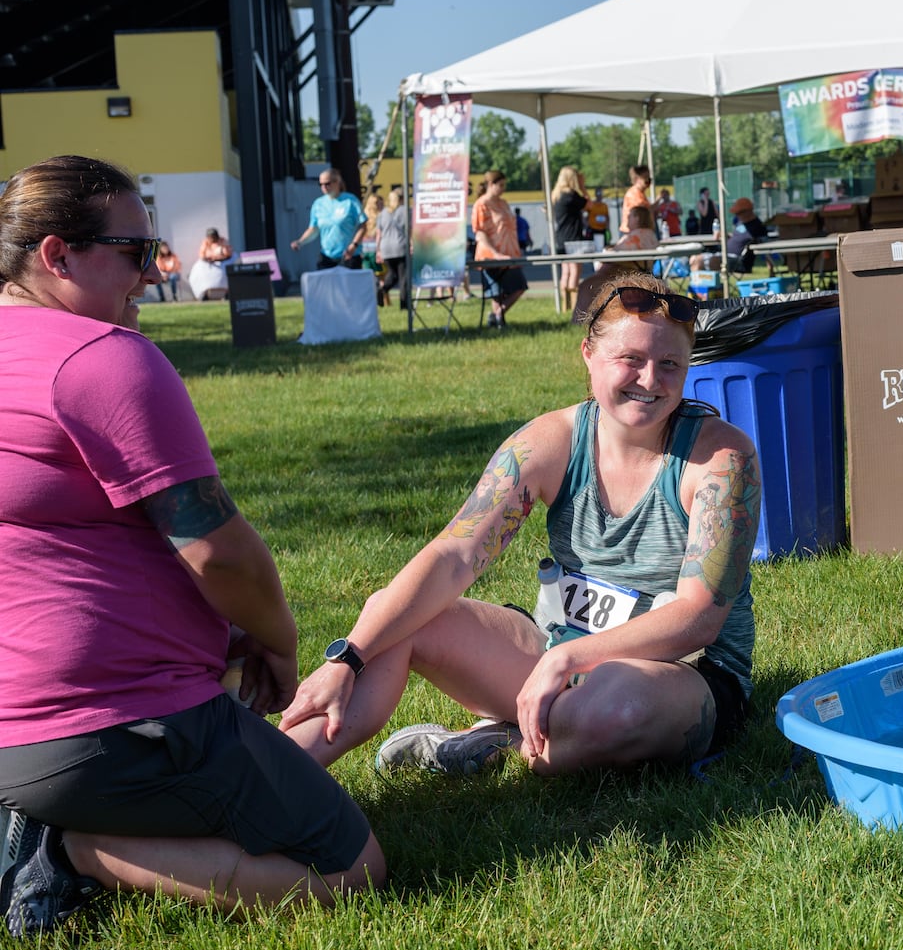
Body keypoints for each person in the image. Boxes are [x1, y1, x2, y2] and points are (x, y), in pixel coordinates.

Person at [0, 154, 385, 938]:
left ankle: (43, 817)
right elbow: (221, 554)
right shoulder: (101, 359)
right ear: (57, 254)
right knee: (349, 869)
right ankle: (71, 851)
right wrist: (277, 640)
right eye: (135, 253)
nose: (149, 275)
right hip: (117, 725)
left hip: (24, 726)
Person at [278, 271, 761, 781]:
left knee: (615, 712)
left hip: (680, 674)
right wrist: (347, 659)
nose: (649, 381)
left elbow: (698, 618)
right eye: (631, 360)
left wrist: (569, 658)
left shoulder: (722, 459)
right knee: (396, 615)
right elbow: (454, 556)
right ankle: (268, 777)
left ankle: (505, 743)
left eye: (670, 365)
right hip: (554, 651)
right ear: (588, 355)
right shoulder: (548, 443)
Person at [470, 169, 528, 328]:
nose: (503, 188)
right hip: (490, 255)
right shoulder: (481, 204)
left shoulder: (503, 203)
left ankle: (497, 315)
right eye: (500, 185)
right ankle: (498, 321)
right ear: (490, 184)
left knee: (519, 286)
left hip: (509, 254)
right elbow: (480, 233)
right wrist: (495, 253)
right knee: (496, 293)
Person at [290, 167, 367, 270]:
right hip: (327, 257)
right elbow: (314, 229)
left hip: (349, 256)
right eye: (321, 184)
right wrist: (300, 242)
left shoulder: (350, 201)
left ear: (337, 182)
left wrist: (354, 245)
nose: (324, 187)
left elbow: (362, 226)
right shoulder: (318, 204)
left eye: (327, 184)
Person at [689, 197, 768, 274]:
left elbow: (764, 244)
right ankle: (698, 286)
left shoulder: (757, 226)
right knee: (694, 259)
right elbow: (736, 236)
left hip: (738, 260)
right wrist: (724, 234)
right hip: (725, 254)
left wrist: (770, 267)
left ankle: (714, 286)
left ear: (748, 211)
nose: (737, 215)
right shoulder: (741, 223)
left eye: (739, 213)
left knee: (709, 261)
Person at [551, 166, 590, 315]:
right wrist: (583, 188)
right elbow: (590, 206)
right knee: (575, 270)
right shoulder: (572, 195)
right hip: (573, 237)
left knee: (565, 272)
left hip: (561, 237)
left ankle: (564, 306)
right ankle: (574, 306)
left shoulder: (557, 195)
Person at [375, 186, 408, 310]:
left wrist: (378, 250)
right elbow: (409, 229)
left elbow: (379, 233)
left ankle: (382, 289)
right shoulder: (404, 210)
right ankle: (404, 305)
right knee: (403, 278)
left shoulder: (383, 213)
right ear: (401, 199)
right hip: (400, 246)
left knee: (392, 275)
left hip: (386, 248)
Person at [191, 227, 233, 300]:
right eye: (209, 237)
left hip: (223, 262)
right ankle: (203, 293)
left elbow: (228, 253)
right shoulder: (205, 242)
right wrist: (208, 258)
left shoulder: (223, 241)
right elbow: (202, 254)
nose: (211, 239)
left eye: (213, 236)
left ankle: (227, 292)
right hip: (209, 263)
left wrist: (220, 255)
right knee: (199, 271)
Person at [622, 166, 652, 232]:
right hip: (632, 231)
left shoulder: (641, 193)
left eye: (649, 177)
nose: (648, 180)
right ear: (637, 179)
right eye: (645, 177)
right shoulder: (634, 194)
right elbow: (642, 211)